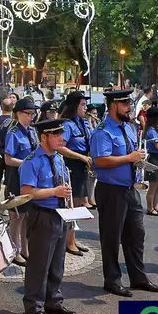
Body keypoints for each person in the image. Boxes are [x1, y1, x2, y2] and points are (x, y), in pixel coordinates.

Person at [90, 89, 158, 297]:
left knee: (136, 235)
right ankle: (112, 280)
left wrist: (140, 159)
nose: (129, 107)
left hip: (130, 188)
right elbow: (100, 160)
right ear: (113, 105)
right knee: (112, 237)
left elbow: (131, 154)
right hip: (111, 189)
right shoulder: (103, 131)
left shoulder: (128, 128)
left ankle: (139, 277)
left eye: (129, 103)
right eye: (125, 104)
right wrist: (129, 158)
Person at [20, 119, 76, 314]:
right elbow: (26, 193)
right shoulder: (31, 161)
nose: (61, 138)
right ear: (44, 137)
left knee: (57, 262)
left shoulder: (59, 158)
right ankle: (33, 306)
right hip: (42, 214)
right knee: (39, 264)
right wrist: (54, 192)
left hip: (59, 212)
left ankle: (53, 300)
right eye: (56, 135)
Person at [4, 98, 39, 267]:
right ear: (18, 114)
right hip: (15, 178)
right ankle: (14, 250)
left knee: (27, 217)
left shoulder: (31, 131)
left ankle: (26, 249)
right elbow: (8, 159)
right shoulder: (13, 133)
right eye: (29, 113)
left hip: (29, 178)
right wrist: (26, 163)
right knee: (16, 217)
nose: (32, 117)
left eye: (33, 113)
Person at [57, 91, 93, 255]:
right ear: (74, 106)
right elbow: (61, 147)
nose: (85, 108)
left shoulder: (82, 123)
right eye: (82, 105)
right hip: (72, 164)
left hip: (82, 164)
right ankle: (68, 241)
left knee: (78, 204)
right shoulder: (68, 125)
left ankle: (73, 238)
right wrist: (81, 157)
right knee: (71, 204)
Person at [142, 106, 158, 216]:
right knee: (153, 185)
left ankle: (156, 206)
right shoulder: (151, 131)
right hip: (154, 158)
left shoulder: (156, 129)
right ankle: (150, 208)